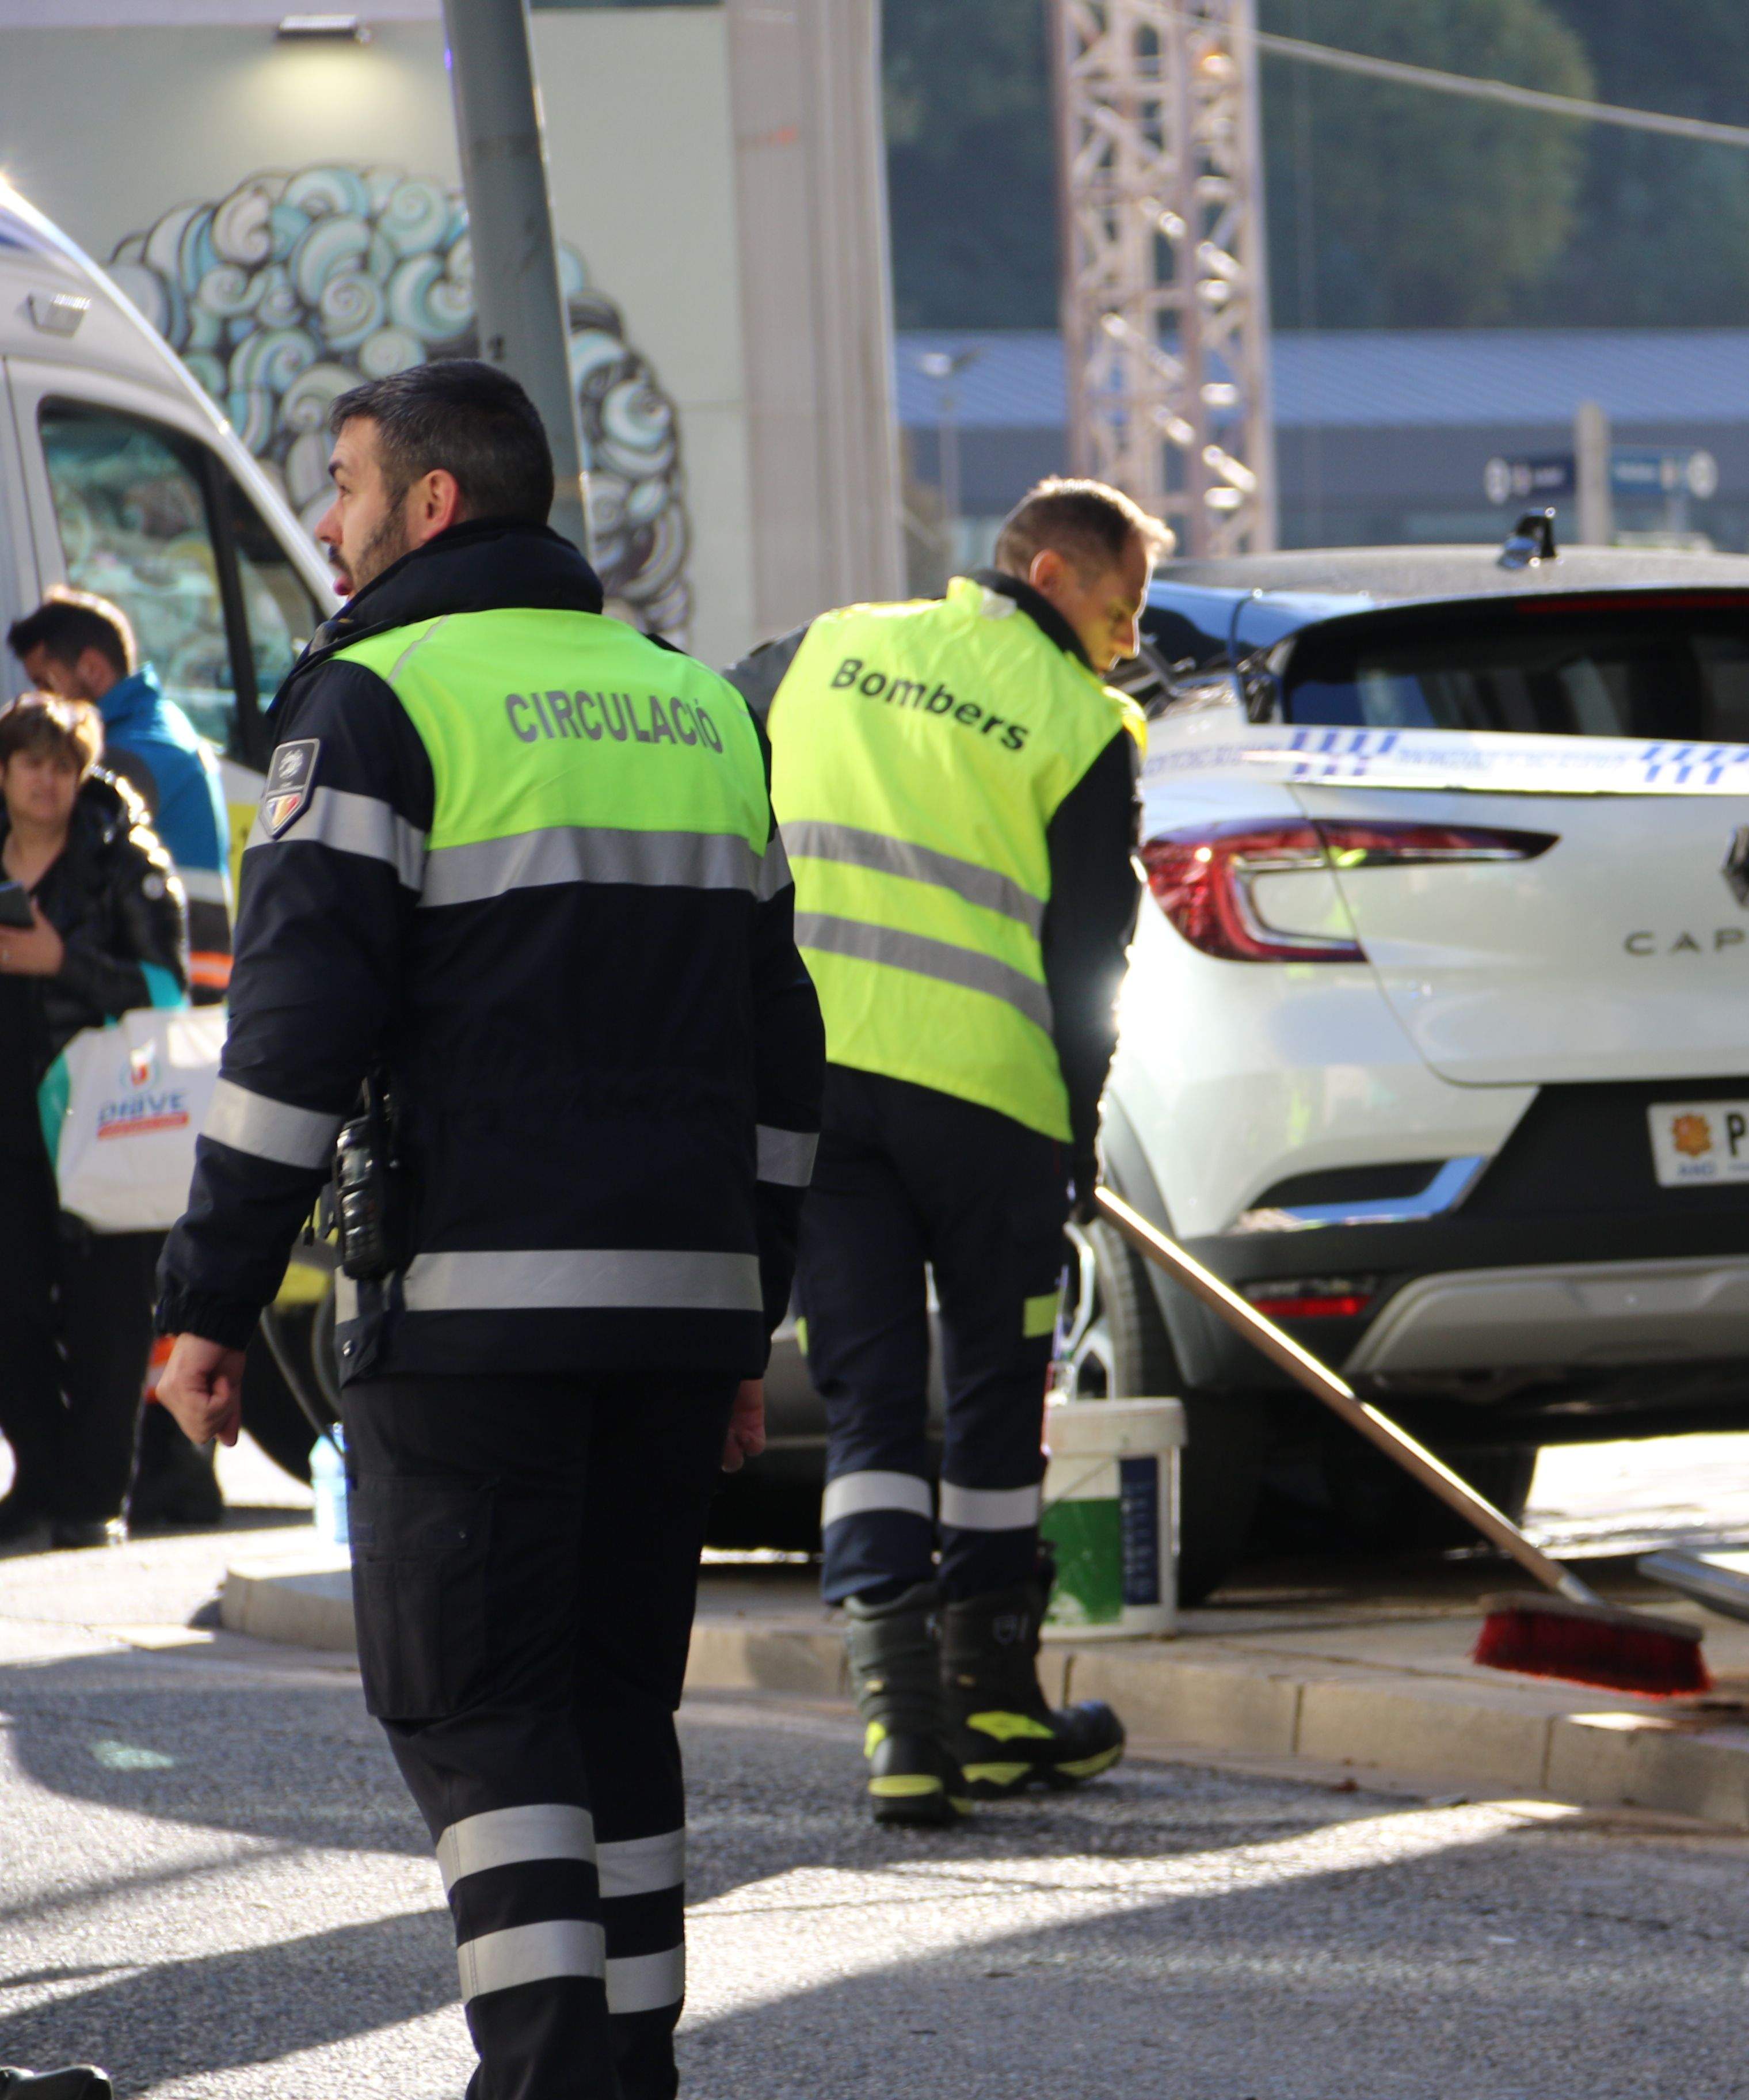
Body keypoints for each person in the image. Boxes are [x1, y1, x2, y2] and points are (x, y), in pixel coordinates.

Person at [151, 359, 822, 2100]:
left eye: (347, 483)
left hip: (472, 1318)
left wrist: (206, 1300)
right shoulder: (694, 706)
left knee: (478, 1705)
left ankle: (549, 2080)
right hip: (677, 1316)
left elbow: (291, 1041)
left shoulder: (375, 701)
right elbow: (781, 1056)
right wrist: (746, 1319)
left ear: (431, 505)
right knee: (613, 1708)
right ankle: (628, 2072)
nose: (327, 518)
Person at [726, 478, 1156, 1825]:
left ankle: (900, 1733)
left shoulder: (830, 647)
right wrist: (1076, 1137)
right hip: (987, 1104)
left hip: (824, 1087)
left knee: (866, 1405)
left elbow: (714, 769)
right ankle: (994, 1695)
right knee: (987, 1405)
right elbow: (1091, 951)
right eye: (1122, 606)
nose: (1127, 641)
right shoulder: (1080, 723)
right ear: (1052, 570)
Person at [0, 695, 182, 1552]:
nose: (47, 780)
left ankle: (94, 1498)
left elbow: (169, 990)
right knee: (11, 1306)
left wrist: (60, 961)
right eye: (31, 762)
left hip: (107, 1117)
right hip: (9, 1120)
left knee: (111, 1318)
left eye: (62, 764)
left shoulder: (121, 857)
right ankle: (38, 1479)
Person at [10, 590, 231, 1001]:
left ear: (92, 669)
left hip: (169, 992)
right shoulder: (158, 729)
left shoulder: (131, 756)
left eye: (46, 684)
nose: (43, 703)